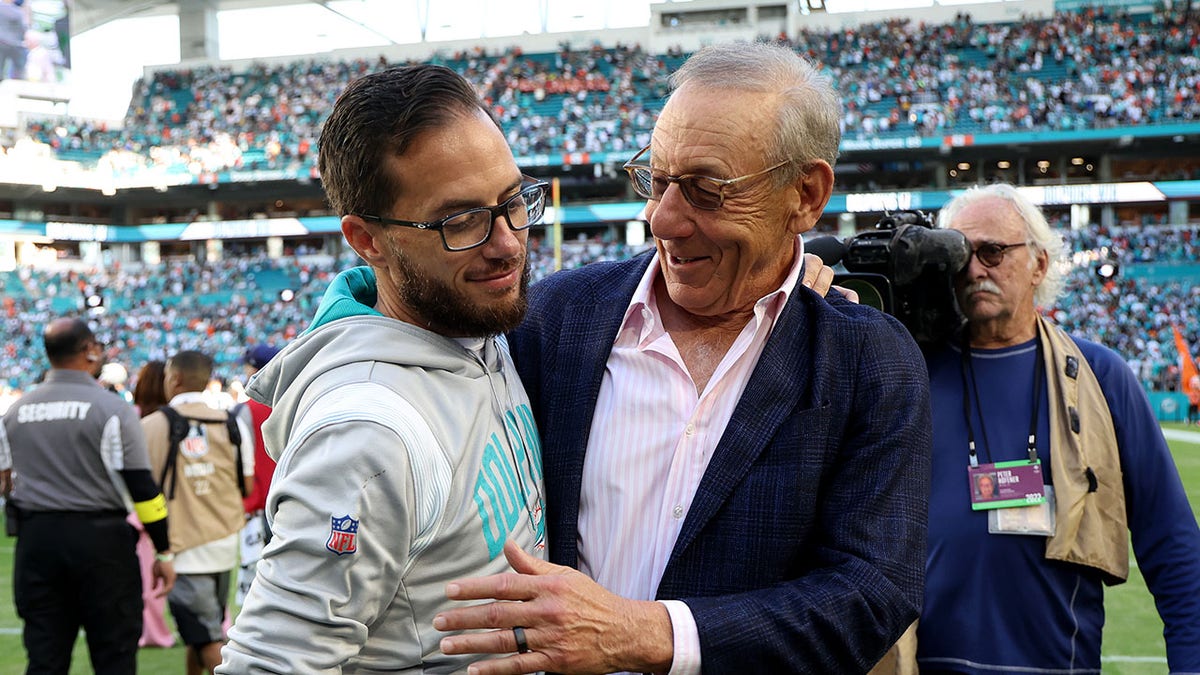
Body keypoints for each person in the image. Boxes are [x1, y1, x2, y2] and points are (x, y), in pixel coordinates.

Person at [434, 41, 932, 674]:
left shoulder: (867, 361)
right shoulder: (557, 319)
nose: (661, 219)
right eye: (656, 180)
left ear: (805, 194)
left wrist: (647, 634)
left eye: (704, 190)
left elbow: (869, 596)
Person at [217, 64, 549, 673]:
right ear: (366, 239)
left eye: (513, 202)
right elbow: (268, 663)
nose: (506, 243)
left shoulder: (472, 323)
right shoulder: (367, 432)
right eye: (460, 221)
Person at [917, 183, 1200, 673]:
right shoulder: (907, 370)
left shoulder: (1099, 375)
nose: (975, 268)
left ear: (1040, 265)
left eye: (993, 251)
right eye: (960, 254)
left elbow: (1173, 546)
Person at [0, 316, 175, 674]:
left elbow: (6, 483)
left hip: (37, 542)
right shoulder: (112, 408)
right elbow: (142, 488)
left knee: (45, 657)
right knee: (114, 656)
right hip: (102, 543)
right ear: (89, 351)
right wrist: (163, 548)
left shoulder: (16, 411)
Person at [143, 349, 254, 674]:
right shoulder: (232, 423)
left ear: (174, 378)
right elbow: (246, 486)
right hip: (224, 543)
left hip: (181, 547)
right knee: (200, 632)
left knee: (205, 639)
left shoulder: (151, 426)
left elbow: (139, 490)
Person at [130, 358, 177, 649]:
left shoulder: (133, 419)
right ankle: (217, 623)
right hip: (180, 503)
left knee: (148, 577)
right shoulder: (178, 418)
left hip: (142, 507)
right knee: (197, 571)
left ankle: (155, 634)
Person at [234, 342, 279, 605]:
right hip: (291, 495)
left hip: (257, 500)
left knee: (255, 575)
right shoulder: (295, 400)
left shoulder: (245, 410)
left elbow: (241, 462)